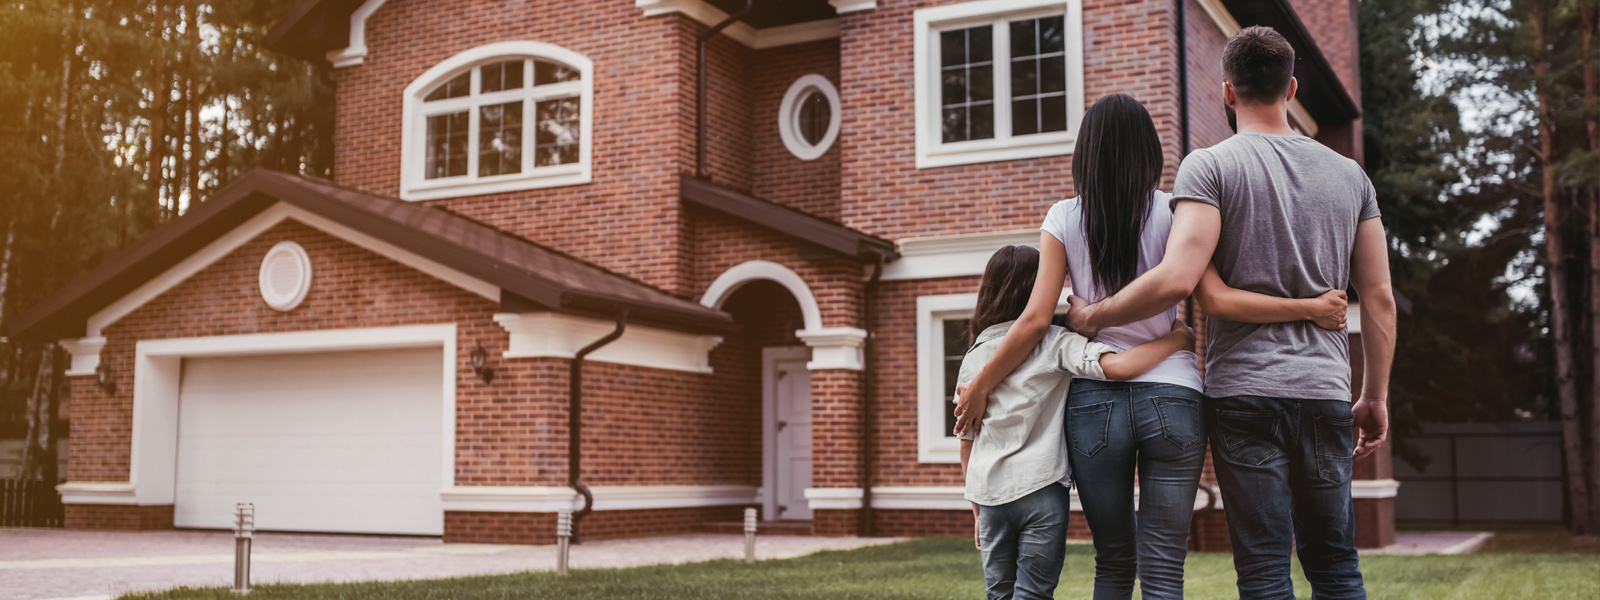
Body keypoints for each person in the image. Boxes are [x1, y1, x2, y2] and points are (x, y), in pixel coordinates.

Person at [954, 93, 1349, 600]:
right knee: (1164, 568)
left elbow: (1033, 321)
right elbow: (1200, 291)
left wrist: (982, 384)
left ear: (1084, 152)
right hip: (1174, 395)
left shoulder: (1062, 218)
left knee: (1114, 561)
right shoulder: (1176, 211)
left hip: (1094, 401)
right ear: (1149, 151)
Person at [1061, 27, 1398, 600]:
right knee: (1337, 566)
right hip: (1323, 391)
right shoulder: (1351, 177)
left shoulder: (1209, 167)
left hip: (1242, 392)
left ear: (1226, 92)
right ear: (1291, 87)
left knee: (1265, 569)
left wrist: (1093, 319)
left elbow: (1178, 280)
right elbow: (1382, 299)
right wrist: (1374, 396)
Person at [955, 244, 1197, 600]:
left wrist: (977, 510)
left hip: (989, 497)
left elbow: (966, 441)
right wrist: (1180, 338)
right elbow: (1119, 367)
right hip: (1041, 490)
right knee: (1034, 593)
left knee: (999, 593)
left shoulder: (973, 359)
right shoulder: (1054, 343)